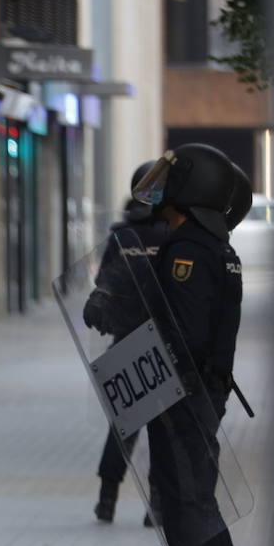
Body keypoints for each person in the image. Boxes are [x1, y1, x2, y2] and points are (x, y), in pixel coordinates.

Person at [129, 144, 247, 546]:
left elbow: (187, 335)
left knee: (188, 505)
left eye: (172, 178)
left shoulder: (188, 250)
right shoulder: (215, 246)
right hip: (200, 391)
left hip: (182, 393)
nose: (161, 185)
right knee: (194, 501)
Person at [85, 161, 167, 525]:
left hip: (126, 339)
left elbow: (104, 281)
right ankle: (158, 505)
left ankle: (107, 498)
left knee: (124, 424)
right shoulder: (173, 235)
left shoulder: (122, 234)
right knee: (163, 430)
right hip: (165, 343)